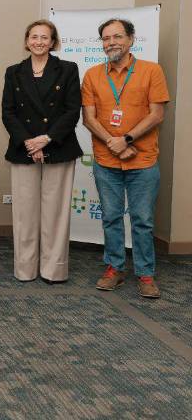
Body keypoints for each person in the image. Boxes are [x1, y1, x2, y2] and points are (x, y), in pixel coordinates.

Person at [82, 18, 169, 298]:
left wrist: (127, 139)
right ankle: (114, 268)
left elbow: (157, 114)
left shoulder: (151, 71)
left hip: (143, 161)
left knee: (142, 220)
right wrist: (115, 144)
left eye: (117, 36)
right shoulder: (92, 75)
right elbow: (89, 118)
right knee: (111, 217)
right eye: (106, 38)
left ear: (131, 39)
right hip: (106, 161)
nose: (111, 43)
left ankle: (145, 274)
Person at [2, 20, 82, 284]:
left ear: (53, 42)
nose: (39, 41)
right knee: (24, 214)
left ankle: (53, 270)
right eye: (34, 37)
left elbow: (72, 110)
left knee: (55, 213)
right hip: (23, 148)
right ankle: (25, 268)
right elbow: (8, 112)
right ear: (27, 41)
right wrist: (29, 142)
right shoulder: (14, 72)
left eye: (44, 37)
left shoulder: (68, 69)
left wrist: (46, 139)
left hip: (58, 146)